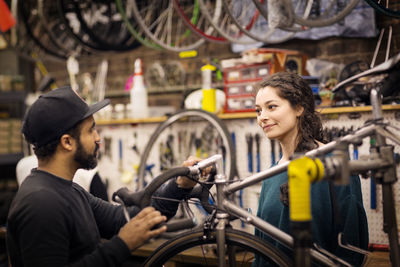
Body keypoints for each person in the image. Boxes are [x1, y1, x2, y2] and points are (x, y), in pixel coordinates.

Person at [7, 86, 198, 267]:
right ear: (67, 142)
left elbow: (127, 219)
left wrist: (180, 184)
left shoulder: (69, 190)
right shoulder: (41, 203)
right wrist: (123, 244)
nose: (98, 138)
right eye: (90, 129)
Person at [252, 72, 369, 266]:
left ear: (299, 108)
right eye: (258, 111)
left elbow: (352, 245)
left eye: (271, 107)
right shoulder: (270, 175)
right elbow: (260, 249)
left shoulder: (334, 164)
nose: (262, 117)